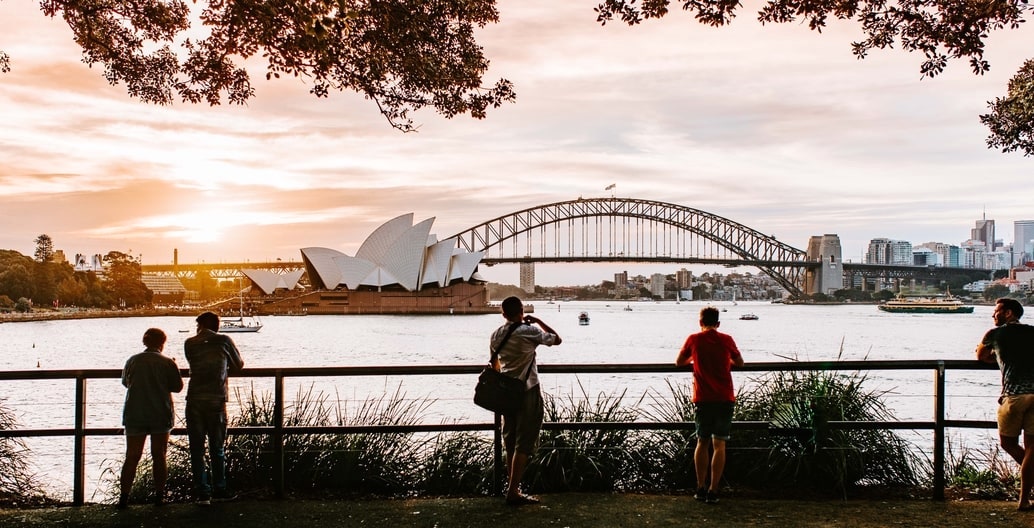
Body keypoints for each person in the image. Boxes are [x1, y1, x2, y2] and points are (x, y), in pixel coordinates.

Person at [491, 296, 562, 506]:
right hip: (528, 390)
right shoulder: (528, 331)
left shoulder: (496, 335)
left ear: (503, 314)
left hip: (506, 393)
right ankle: (513, 491)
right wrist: (537, 320)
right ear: (522, 311)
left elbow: (495, 365)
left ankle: (512, 488)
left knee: (510, 441)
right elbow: (556, 339)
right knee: (524, 442)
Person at [675, 306, 744, 505]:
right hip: (724, 398)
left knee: (702, 442)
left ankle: (700, 488)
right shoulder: (727, 339)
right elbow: (739, 363)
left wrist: (694, 360)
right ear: (718, 324)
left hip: (703, 398)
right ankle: (714, 490)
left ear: (700, 322)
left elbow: (679, 362)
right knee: (720, 444)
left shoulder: (694, 339)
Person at [976, 297, 1034, 511]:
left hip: (1014, 395)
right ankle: (1024, 500)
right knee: (1032, 449)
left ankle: (1025, 499)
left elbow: (981, 355)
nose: (993, 315)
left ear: (1009, 313)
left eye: (997, 311)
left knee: (1008, 443)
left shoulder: (995, 334)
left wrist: (998, 356)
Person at [118, 327, 183, 509]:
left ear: (144, 342)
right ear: (163, 342)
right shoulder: (168, 362)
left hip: (135, 412)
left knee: (131, 456)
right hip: (160, 412)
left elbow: (125, 382)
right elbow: (177, 387)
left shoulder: (133, 360)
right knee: (159, 455)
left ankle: (124, 497)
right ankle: (159, 496)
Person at [184, 311, 245, 505]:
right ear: (217, 325)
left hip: (194, 398)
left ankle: (202, 493)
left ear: (200, 326)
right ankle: (220, 489)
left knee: (196, 449)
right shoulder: (224, 341)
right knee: (216, 447)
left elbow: (193, 365)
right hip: (216, 399)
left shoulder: (189, 343)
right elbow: (239, 365)